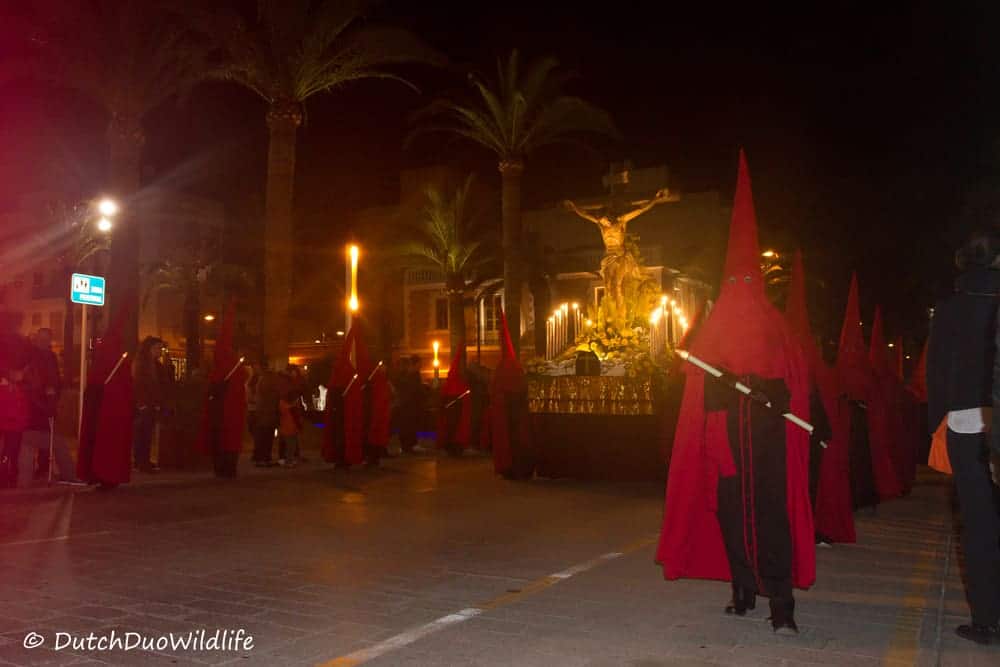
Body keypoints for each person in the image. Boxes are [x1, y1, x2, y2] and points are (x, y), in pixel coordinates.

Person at [656, 151, 814, 634]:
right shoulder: (716, 325)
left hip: (767, 446)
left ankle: (781, 602)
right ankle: (742, 589)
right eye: (735, 280)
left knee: (770, 517)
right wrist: (725, 385)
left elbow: (795, 380)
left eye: (749, 280)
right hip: (726, 446)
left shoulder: (776, 325)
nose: (741, 288)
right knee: (730, 516)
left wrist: (771, 393)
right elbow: (695, 388)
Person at [929, 230, 1000, 645]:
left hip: (966, 421)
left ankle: (987, 620)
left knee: (978, 524)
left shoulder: (952, 307)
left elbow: (937, 370)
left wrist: (936, 422)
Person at [19, 328, 80, 486]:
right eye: (41, 339)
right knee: (37, 438)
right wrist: (44, 393)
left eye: (46, 339)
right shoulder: (29, 356)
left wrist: (54, 394)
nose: (43, 342)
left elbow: (55, 379)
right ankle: (32, 475)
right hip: (35, 404)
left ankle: (41, 470)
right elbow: (29, 380)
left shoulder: (51, 356)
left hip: (46, 403)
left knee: (48, 438)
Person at [197, 303, 247, 478]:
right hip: (227, 411)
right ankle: (227, 468)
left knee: (222, 438)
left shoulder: (221, 367)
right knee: (228, 438)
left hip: (221, 410)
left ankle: (222, 467)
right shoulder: (231, 366)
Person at [132, 336, 165, 473]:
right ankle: (141, 461)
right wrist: (142, 403)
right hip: (145, 404)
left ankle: (143, 460)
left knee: (147, 433)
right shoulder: (142, 364)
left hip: (150, 403)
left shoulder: (154, 365)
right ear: (150, 349)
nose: (160, 351)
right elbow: (139, 384)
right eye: (157, 348)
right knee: (143, 433)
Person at [278, 372, 303, 467]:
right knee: (290, 444)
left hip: (288, 426)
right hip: (290, 426)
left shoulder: (283, 401)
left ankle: (288, 459)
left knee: (290, 444)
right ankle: (289, 460)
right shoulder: (288, 403)